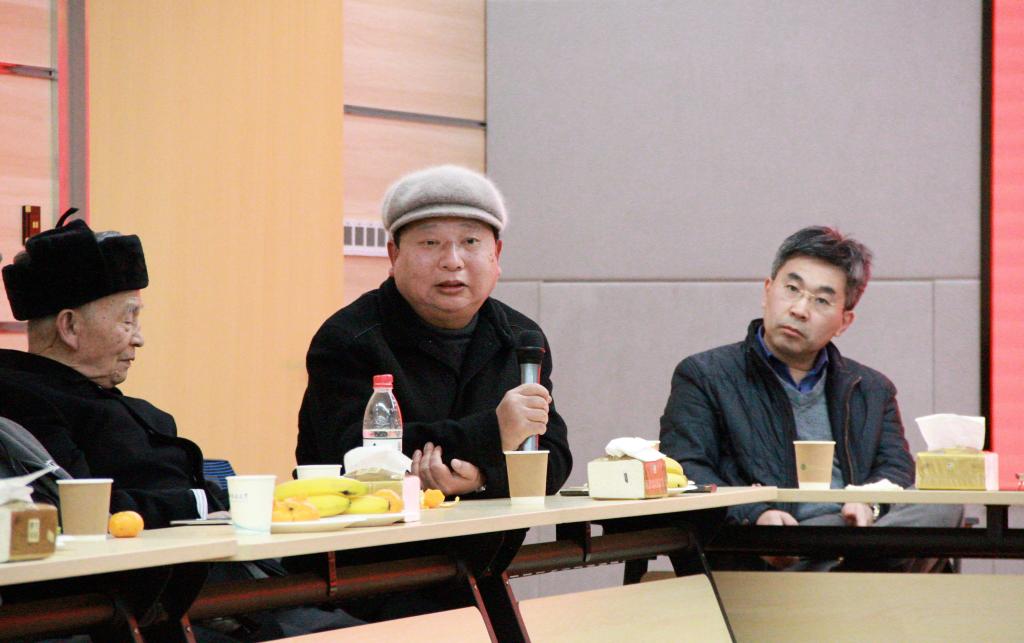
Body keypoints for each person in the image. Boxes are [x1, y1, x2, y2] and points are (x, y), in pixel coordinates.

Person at [659, 226, 962, 571]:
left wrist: (869, 503)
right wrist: (756, 514)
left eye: (821, 300)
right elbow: (686, 471)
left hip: (854, 537)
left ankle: (842, 570)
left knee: (943, 503)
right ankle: (852, 571)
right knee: (890, 548)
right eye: (792, 289)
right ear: (767, 291)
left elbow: (896, 469)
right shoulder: (705, 376)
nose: (800, 309)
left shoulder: (872, 389)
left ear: (844, 321)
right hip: (773, 551)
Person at [297, 164, 571, 498]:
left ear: (496, 255)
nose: (452, 261)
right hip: (377, 530)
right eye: (430, 242)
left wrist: (481, 478)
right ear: (394, 255)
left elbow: (554, 459)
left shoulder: (521, 338)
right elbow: (349, 456)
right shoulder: (349, 338)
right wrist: (493, 431)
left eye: (470, 241)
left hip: (489, 532)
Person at [0, 214, 224, 528]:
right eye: (128, 320)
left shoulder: (122, 404)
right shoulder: (21, 400)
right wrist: (199, 503)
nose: (139, 338)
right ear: (70, 326)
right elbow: (81, 510)